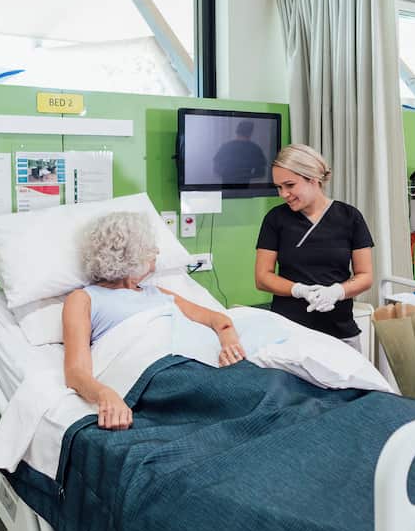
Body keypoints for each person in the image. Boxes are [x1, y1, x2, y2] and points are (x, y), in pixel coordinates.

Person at [62, 211, 245, 430]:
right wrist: (105, 394)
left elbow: (217, 319)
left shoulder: (157, 292)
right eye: (149, 248)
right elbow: (76, 372)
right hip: (158, 375)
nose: (156, 252)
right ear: (130, 255)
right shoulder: (84, 298)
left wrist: (229, 341)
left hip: (199, 363)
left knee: (265, 386)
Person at [254, 144, 374, 347]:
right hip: (288, 334)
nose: (283, 194)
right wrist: (299, 290)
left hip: (340, 333)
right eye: (279, 187)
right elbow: (263, 278)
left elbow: (365, 276)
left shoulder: (349, 217)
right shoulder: (275, 219)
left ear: (313, 179)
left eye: (290, 185)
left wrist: (337, 292)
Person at [212, 120, 269, 184]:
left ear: (237, 131)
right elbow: (261, 173)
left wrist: (229, 175)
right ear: (250, 132)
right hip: (244, 188)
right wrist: (245, 176)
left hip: (227, 187)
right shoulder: (255, 149)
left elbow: (216, 169)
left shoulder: (226, 147)